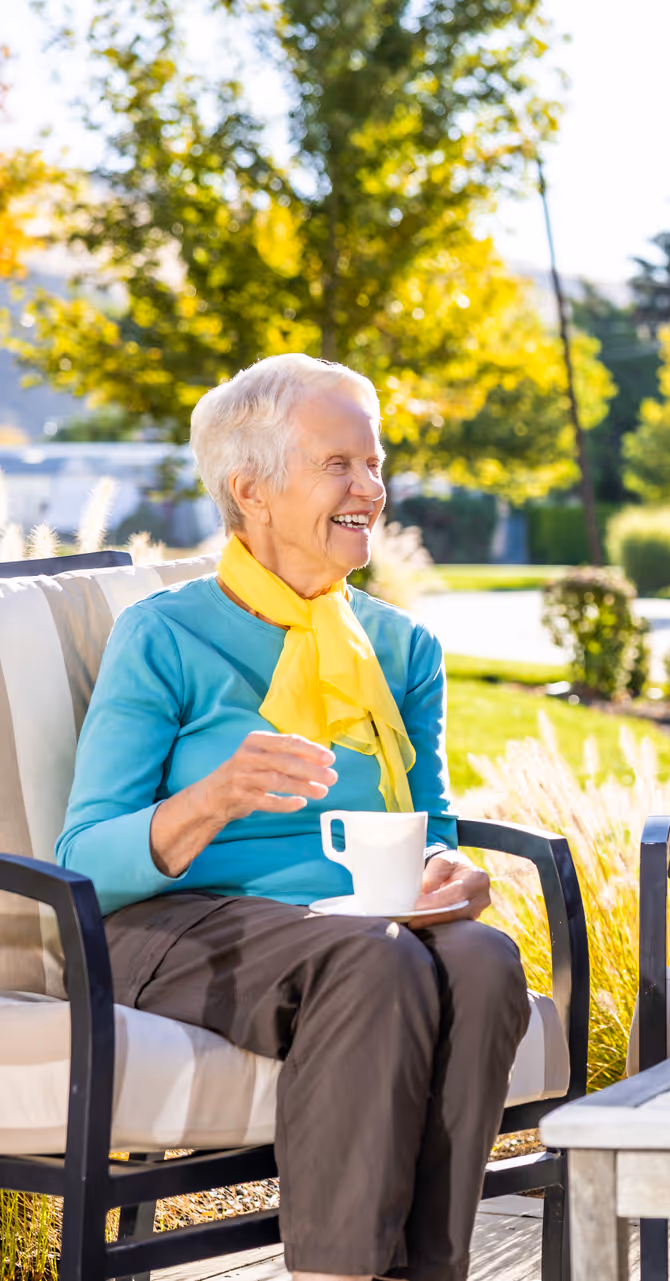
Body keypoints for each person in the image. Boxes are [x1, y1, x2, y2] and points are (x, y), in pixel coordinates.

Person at [58, 353, 526, 1281]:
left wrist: (453, 868)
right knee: (377, 957)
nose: (371, 489)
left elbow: (429, 824)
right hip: (184, 918)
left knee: (481, 957)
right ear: (252, 490)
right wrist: (214, 796)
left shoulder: (399, 646)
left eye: (375, 462)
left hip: (356, 925)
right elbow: (85, 851)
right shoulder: (167, 634)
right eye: (338, 465)